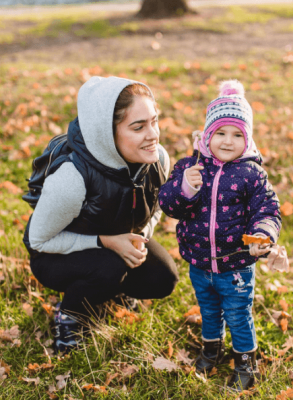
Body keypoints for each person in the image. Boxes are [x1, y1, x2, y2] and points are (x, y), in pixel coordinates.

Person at [23, 76, 178, 353]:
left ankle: (106, 291)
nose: (153, 134)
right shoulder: (72, 178)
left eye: (154, 121)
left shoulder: (158, 159)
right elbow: (38, 242)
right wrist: (105, 241)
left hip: (117, 239)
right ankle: (70, 315)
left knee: (163, 277)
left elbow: (155, 210)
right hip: (56, 255)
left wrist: (141, 234)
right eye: (138, 127)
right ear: (108, 132)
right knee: (110, 266)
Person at [158, 80, 281, 392]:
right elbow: (169, 205)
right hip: (199, 261)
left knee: (238, 314)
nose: (228, 141)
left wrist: (261, 234)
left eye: (238, 134)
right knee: (209, 310)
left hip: (236, 264)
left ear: (248, 139)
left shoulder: (252, 175)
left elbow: (267, 210)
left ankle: (245, 361)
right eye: (221, 133)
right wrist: (185, 189)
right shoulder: (191, 167)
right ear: (207, 135)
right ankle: (211, 348)